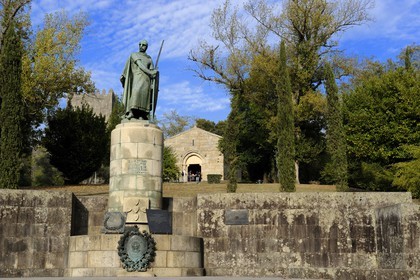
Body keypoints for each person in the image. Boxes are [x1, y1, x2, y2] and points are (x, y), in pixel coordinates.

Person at [120, 40, 158, 120]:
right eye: (140, 44)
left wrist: (154, 73)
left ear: (146, 47)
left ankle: (141, 115)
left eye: (143, 45)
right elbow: (140, 65)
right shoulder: (134, 55)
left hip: (146, 80)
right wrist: (151, 73)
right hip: (136, 78)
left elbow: (152, 70)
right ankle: (132, 112)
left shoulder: (149, 59)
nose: (141, 46)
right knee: (136, 92)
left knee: (144, 96)